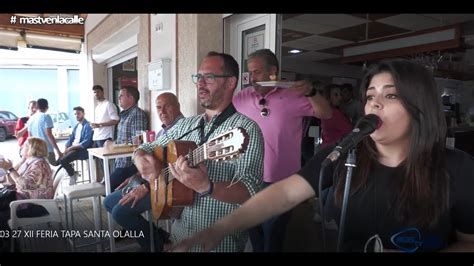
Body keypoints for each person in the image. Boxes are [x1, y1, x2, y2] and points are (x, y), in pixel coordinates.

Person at [172, 59, 474, 252]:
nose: (374, 106)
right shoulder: (343, 154)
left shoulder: (458, 169)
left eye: (390, 95)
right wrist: (220, 229)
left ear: (419, 106)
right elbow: (286, 193)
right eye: (370, 96)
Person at [104, 51, 264, 252]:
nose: (200, 84)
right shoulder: (187, 125)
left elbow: (251, 192)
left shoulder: (247, 129)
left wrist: (208, 186)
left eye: (209, 77)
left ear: (231, 82)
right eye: (198, 77)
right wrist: (140, 157)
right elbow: (146, 147)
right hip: (179, 238)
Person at [232, 48, 332, 252]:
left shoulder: (293, 95)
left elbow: (326, 113)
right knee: (254, 232)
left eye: (257, 72)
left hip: (282, 181)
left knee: (273, 234)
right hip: (249, 178)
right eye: (250, 73)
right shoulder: (241, 98)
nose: (252, 78)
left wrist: (312, 92)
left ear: (272, 72)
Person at [0, 137, 54, 222]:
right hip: (24, 199)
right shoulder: (32, 161)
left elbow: (24, 184)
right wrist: (17, 164)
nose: (21, 147)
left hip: (35, 205)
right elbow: (13, 181)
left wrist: (10, 168)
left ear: (32, 149)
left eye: (25, 145)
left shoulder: (39, 164)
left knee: (2, 216)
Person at [106, 86, 148, 191]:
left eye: (121, 96)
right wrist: (113, 142)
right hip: (120, 161)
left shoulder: (137, 114)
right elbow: (123, 138)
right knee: (107, 187)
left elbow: (138, 141)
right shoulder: (124, 115)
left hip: (129, 164)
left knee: (107, 187)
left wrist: (115, 146)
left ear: (131, 98)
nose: (119, 98)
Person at [56, 106, 94, 185]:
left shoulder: (88, 125)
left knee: (63, 160)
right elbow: (71, 138)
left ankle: (72, 175)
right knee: (58, 161)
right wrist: (66, 148)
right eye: (75, 114)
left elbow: (86, 143)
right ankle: (71, 172)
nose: (77, 115)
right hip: (73, 149)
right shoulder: (77, 126)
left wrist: (71, 148)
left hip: (82, 150)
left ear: (83, 114)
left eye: (78, 113)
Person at [27, 98, 63, 165]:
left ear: (36, 107)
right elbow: (49, 134)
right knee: (51, 169)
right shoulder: (46, 117)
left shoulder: (31, 119)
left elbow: (30, 137)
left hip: (35, 151)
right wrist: (58, 151)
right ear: (47, 107)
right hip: (46, 150)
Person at [318, 83, 353, 149]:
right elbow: (350, 132)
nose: (340, 98)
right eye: (336, 95)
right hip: (334, 150)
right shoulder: (334, 113)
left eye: (340, 94)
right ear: (328, 97)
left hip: (326, 147)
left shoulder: (325, 110)